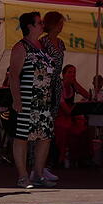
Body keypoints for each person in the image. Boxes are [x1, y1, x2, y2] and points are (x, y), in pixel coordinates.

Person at [9, 11, 56, 189]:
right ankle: (23, 176)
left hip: (44, 101)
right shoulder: (21, 47)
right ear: (30, 26)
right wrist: (17, 99)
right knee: (22, 137)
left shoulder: (42, 46)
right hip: (27, 99)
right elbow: (14, 75)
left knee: (45, 137)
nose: (43, 25)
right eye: (39, 23)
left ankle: (38, 173)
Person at [40, 10, 67, 182]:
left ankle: (46, 165)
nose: (62, 26)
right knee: (43, 125)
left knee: (51, 126)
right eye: (61, 22)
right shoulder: (43, 42)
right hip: (45, 84)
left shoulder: (61, 43)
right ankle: (39, 166)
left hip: (56, 83)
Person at [54, 64, 91, 167]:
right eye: (70, 72)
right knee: (65, 128)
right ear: (64, 74)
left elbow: (87, 96)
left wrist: (76, 83)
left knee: (84, 128)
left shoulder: (73, 86)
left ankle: (81, 158)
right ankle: (61, 159)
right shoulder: (59, 87)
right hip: (60, 116)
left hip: (70, 115)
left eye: (74, 72)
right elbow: (65, 108)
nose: (72, 74)